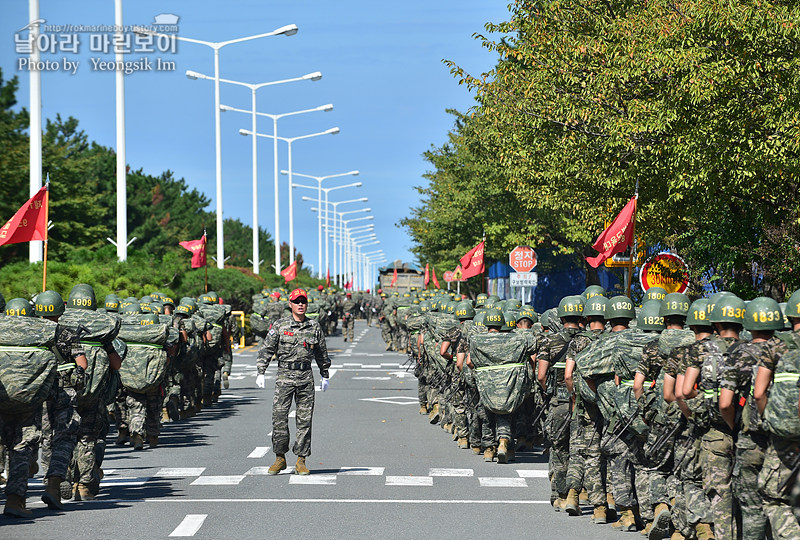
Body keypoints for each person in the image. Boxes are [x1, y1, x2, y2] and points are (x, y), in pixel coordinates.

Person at [256, 288, 331, 476]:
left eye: (303, 301)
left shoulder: (314, 326)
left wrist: (325, 373)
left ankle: (301, 460)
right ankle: (280, 458)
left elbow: (321, 352)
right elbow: (266, 349)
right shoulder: (280, 325)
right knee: (279, 418)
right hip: (284, 376)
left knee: (304, 421)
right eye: (296, 301)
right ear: (290, 304)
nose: (300, 304)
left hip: (306, 377)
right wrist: (260, 371)